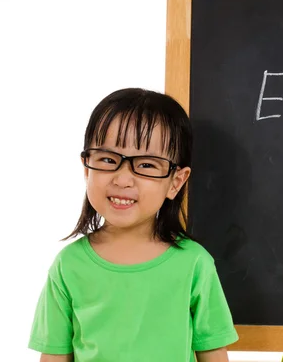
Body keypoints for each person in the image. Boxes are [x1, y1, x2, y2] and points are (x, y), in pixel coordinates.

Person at [28, 88, 238, 362]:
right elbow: (55, 355)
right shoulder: (68, 265)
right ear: (86, 167)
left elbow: (212, 352)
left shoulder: (194, 264)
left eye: (147, 165)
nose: (123, 179)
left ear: (176, 182)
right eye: (107, 159)